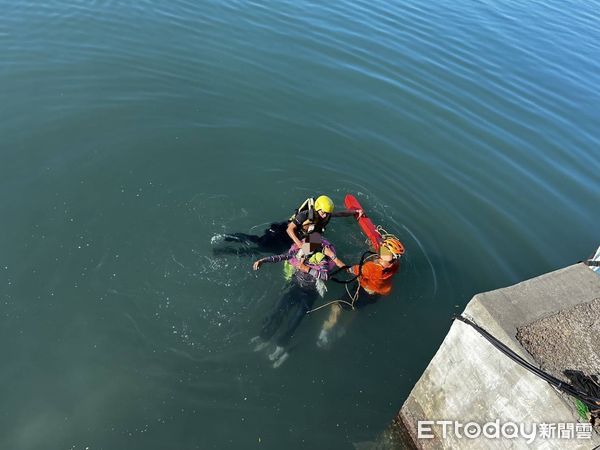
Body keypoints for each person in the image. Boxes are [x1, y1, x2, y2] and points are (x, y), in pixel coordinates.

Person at [250, 233, 346, 367]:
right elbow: (282, 257)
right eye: (305, 247)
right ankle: (264, 337)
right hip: (294, 287)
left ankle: (281, 345)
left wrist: (306, 268)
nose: (305, 250)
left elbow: (324, 275)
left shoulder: (320, 258)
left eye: (309, 248)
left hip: (309, 294)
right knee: (278, 310)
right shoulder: (299, 252)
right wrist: (263, 260)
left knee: (294, 321)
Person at [317, 236, 404, 347]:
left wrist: (331, 255)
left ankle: (323, 335)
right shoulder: (395, 265)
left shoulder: (371, 268)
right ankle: (342, 331)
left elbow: (346, 269)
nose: (381, 249)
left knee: (336, 306)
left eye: (384, 250)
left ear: (389, 256)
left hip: (363, 291)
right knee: (354, 309)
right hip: (376, 294)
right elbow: (381, 262)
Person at [212, 195, 362, 255]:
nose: (325, 215)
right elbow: (290, 229)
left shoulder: (326, 215)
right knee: (259, 244)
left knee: (271, 252)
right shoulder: (305, 215)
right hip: (284, 233)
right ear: (317, 209)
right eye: (323, 213)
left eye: (327, 213)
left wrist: (354, 212)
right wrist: (299, 245)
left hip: (305, 238)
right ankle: (228, 239)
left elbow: (338, 214)